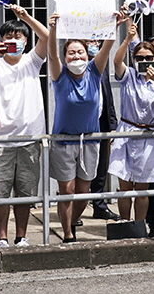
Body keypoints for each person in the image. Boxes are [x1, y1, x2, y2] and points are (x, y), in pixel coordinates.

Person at [0, 4, 50, 248]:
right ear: (0, 40)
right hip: (1, 140)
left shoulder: (32, 61)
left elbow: (48, 37)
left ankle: (21, 236)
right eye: (8, 36)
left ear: (26, 41)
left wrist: (26, 17)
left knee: (25, 194)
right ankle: (2, 237)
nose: (13, 40)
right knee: (0, 193)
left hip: (30, 140)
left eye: (18, 36)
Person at [46, 12, 118, 242]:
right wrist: (54, 29)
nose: (76, 55)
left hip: (89, 140)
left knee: (83, 193)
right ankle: (67, 233)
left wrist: (113, 24)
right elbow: (51, 53)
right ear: (65, 56)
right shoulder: (61, 75)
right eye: (71, 52)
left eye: (80, 51)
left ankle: (73, 221)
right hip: (64, 140)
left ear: (87, 55)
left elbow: (107, 48)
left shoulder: (94, 73)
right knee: (66, 191)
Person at [107, 20, 154, 225]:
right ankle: (125, 224)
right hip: (126, 131)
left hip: (147, 136)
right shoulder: (129, 75)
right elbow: (116, 62)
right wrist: (126, 39)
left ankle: (139, 225)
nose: (145, 61)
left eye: (149, 57)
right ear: (134, 59)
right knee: (124, 188)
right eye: (140, 58)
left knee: (142, 190)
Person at [87, 36, 121, 223]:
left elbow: (108, 95)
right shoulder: (76, 65)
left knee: (101, 168)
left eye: (96, 42)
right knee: (82, 168)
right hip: (81, 124)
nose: (94, 46)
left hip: (101, 122)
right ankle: (76, 206)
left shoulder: (102, 65)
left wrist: (113, 124)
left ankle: (99, 205)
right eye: (89, 42)